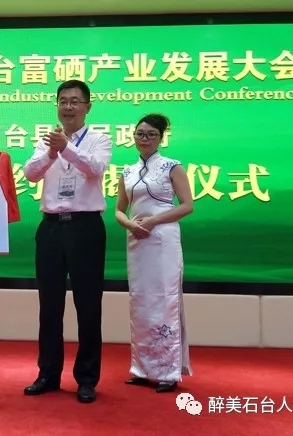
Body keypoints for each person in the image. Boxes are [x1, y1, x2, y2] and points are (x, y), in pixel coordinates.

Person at [23, 80, 112, 403]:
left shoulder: (100, 139)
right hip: (50, 228)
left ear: (88, 107)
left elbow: (95, 168)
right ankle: (48, 374)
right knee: (49, 305)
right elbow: (30, 173)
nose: (68, 106)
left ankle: (86, 379)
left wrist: (66, 149)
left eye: (75, 101)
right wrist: (51, 151)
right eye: (63, 101)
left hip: (85, 227)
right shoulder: (46, 141)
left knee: (88, 304)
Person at [114, 114, 193, 393]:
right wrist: (130, 224)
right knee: (140, 301)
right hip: (137, 240)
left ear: (160, 138)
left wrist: (153, 221)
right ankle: (141, 368)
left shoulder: (172, 166)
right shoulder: (127, 171)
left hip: (163, 239)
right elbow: (118, 210)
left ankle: (167, 371)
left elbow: (187, 205)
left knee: (164, 299)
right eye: (140, 134)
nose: (144, 139)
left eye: (151, 134)